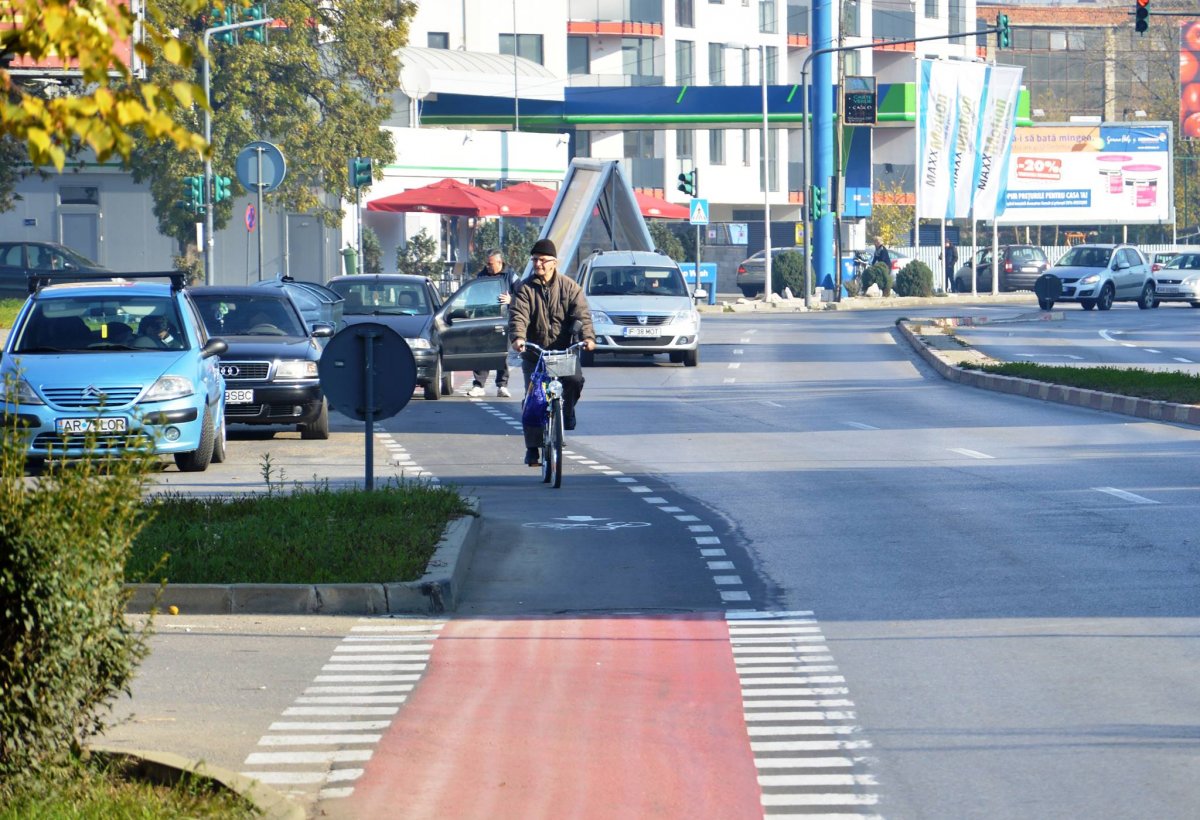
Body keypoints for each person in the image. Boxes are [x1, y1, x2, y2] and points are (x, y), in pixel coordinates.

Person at [508, 238, 596, 467]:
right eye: (535, 259)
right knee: (533, 401)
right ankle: (532, 450)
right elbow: (519, 315)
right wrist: (518, 338)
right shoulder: (525, 288)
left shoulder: (570, 287)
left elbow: (582, 315)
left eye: (542, 260)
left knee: (575, 380)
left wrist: (587, 337)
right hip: (535, 355)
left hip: (562, 353)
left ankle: (566, 413)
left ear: (554, 263)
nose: (537, 264)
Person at [469, 250, 522, 398]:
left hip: (503, 321)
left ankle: (502, 385)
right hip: (484, 320)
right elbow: (473, 296)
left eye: (490, 263)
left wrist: (511, 300)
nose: (488, 266)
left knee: (501, 353)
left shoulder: (510, 276)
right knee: (482, 352)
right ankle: (479, 385)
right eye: (487, 263)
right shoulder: (482, 276)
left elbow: (524, 294)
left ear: (499, 263)